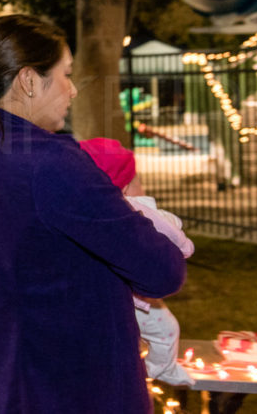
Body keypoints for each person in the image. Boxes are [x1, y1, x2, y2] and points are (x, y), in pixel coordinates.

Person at [0, 13, 187, 413]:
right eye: (65, 74)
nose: (72, 90)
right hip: (56, 389)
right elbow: (161, 270)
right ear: (28, 80)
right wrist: (136, 212)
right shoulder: (48, 163)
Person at [79, 137, 196, 387]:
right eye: (138, 180)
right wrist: (185, 245)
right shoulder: (134, 209)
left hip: (101, 298)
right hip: (134, 298)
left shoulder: (83, 210)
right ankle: (156, 370)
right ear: (124, 186)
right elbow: (170, 229)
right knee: (167, 331)